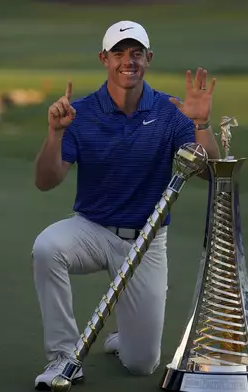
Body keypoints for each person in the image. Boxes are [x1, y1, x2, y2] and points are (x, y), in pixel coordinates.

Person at [31, 20, 220, 390]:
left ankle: (124, 336)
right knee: (46, 248)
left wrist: (201, 123)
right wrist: (55, 134)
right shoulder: (81, 113)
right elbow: (45, 181)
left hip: (146, 241)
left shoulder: (170, 112)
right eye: (118, 53)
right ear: (104, 58)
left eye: (136, 53)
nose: (127, 61)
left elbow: (210, 174)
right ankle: (62, 357)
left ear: (148, 58)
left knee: (141, 364)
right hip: (91, 229)